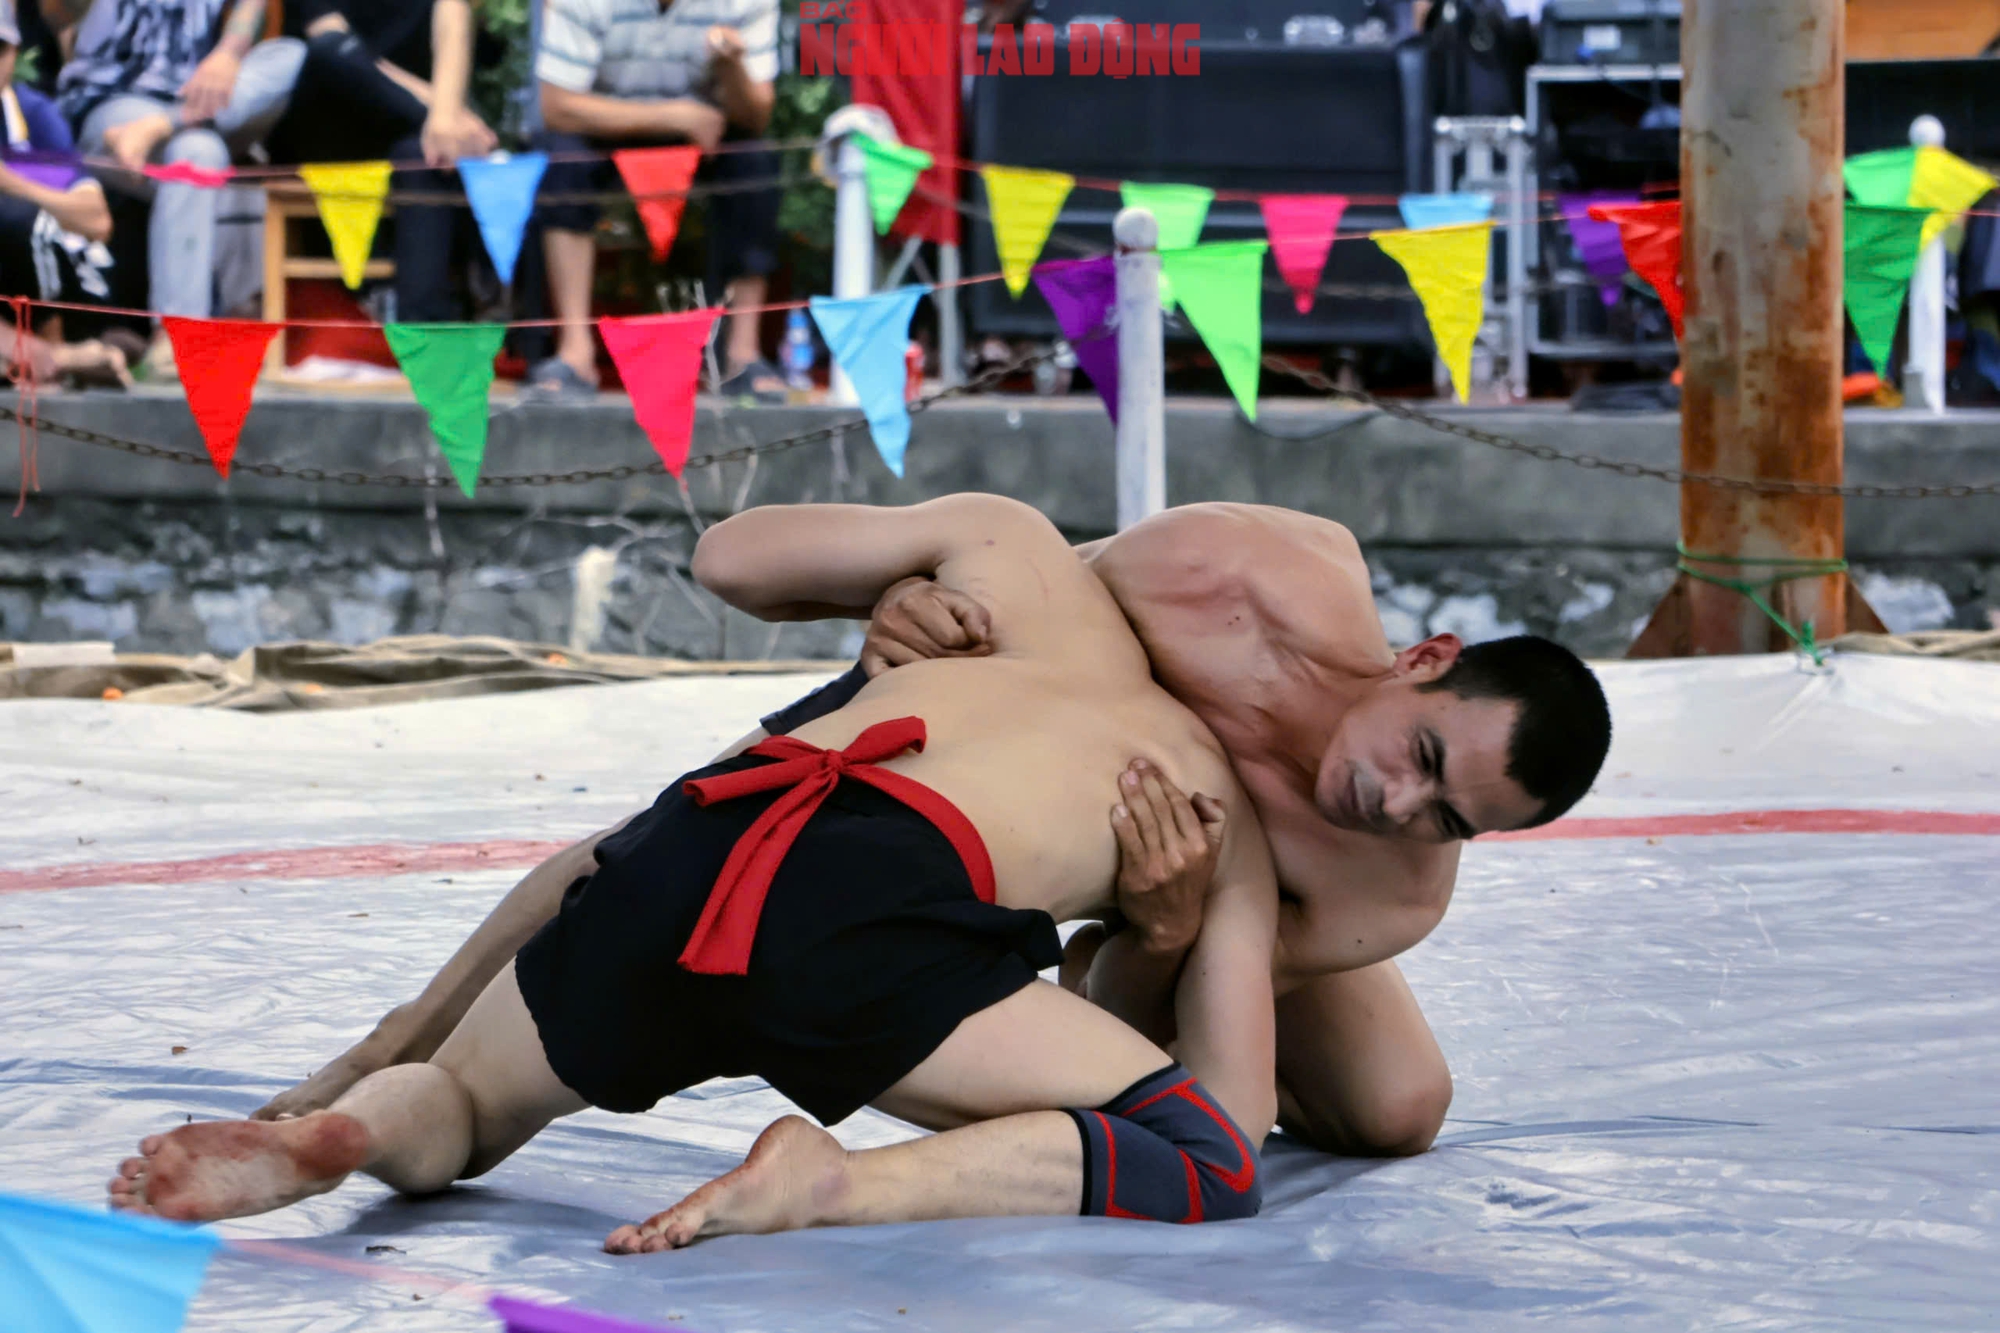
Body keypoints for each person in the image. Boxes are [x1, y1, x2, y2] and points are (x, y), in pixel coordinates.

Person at [258, 501, 1613, 1165]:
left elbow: (1117, 1003)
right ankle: (396, 1037)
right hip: (1012, 728)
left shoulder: (1389, 889)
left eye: (1451, 820)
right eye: (1421, 760)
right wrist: (904, 609)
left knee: (1399, 1109)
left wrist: (1163, 929)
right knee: (677, 831)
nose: (1395, 807)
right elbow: (1039, 599)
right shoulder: (1261, 567)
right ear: (1425, 657)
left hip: (1172, 878)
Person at [109, 494, 1282, 1244]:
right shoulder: (1218, 802)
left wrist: (387, 1051)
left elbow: (600, 857)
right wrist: (1163, 936)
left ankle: (349, 1141)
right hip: (866, 912)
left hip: (692, 860)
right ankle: (838, 1183)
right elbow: (1235, 1112)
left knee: (460, 1107)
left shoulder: (1001, 566)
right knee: (1205, 1155)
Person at [525, 0, 784, 401]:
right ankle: (574, 354)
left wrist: (731, 66)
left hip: (706, 130)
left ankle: (743, 356)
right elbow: (556, 108)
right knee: (564, 162)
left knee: (753, 160)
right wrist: (673, 116)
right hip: (604, 121)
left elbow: (755, 117)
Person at [51, 0, 303, 378]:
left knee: (290, 55)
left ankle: (175, 340)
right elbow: (58, 14)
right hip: (113, 112)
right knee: (200, 153)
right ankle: (181, 335)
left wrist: (228, 55)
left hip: (195, 110)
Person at [268, 0, 496, 323]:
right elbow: (337, 46)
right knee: (330, 52)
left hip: (413, 129)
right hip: (331, 122)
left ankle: (427, 330)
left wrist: (445, 112)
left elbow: (453, 20)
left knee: (422, 155)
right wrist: (438, 108)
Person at [0, 0, 127, 384]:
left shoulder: (32, 113)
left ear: (14, 54)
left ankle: (51, 346)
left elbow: (98, 221)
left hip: (63, 279)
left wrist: (11, 183)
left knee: (19, 216)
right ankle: (56, 356)